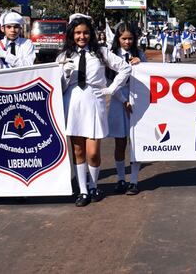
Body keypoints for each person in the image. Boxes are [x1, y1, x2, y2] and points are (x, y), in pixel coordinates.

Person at [56, 14, 131, 207]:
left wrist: (111, 89)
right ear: (72, 34)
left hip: (93, 102)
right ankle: (83, 190)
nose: (82, 36)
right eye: (78, 33)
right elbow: (58, 88)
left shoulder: (101, 52)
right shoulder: (64, 56)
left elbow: (125, 68)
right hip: (72, 102)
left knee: (93, 152)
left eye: (86, 32)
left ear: (91, 34)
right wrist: (64, 75)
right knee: (78, 149)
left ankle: (93, 184)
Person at [108, 21, 146, 196]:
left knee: (136, 142)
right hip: (118, 101)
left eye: (130, 38)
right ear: (118, 38)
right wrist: (123, 100)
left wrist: (142, 65)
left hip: (137, 102)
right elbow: (109, 83)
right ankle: (121, 179)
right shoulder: (111, 56)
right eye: (124, 38)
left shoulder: (140, 55)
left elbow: (149, 79)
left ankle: (134, 180)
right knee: (120, 142)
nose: (127, 42)